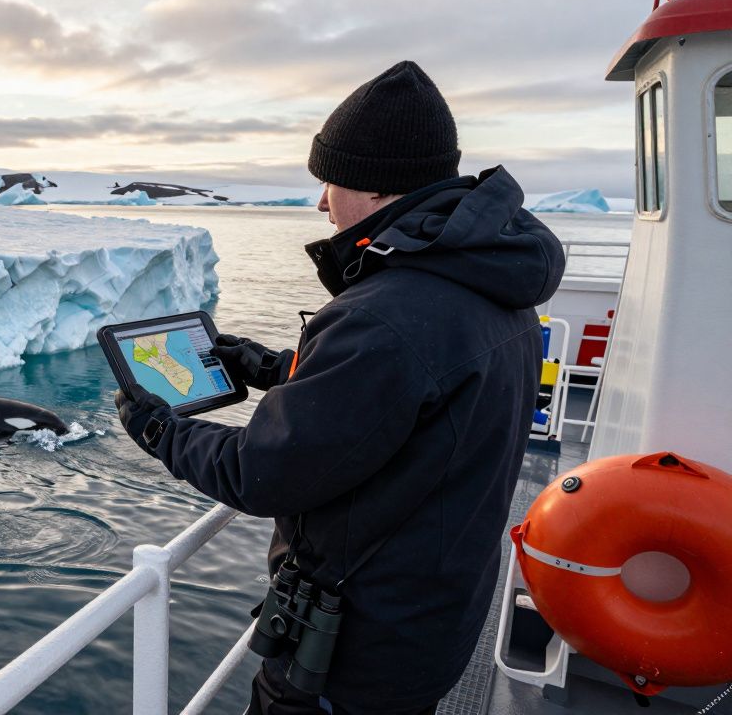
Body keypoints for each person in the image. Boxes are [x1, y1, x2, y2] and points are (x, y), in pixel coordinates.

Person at [115, 60, 566, 714]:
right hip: (432, 617)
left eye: (330, 181)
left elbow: (260, 472)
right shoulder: (491, 285)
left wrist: (161, 430)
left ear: (377, 186)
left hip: (354, 652)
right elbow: (406, 396)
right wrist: (269, 367)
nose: (322, 202)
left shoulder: (388, 313)